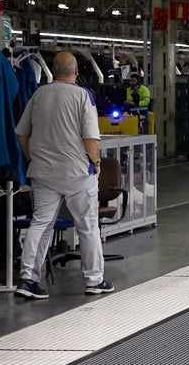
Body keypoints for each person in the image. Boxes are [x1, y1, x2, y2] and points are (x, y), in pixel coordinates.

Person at [14, 51, 114, 299]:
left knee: (40, 224)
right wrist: (96, 163)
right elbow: (91, 138)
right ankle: (94, 280)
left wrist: (31, 158)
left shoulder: (39, 94)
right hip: (77, 173)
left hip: (43, 172)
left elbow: (21, 134)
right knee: (87, 226)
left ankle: (27, 280)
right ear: (77, 72)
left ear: (54, 71)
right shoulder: (82, 96)